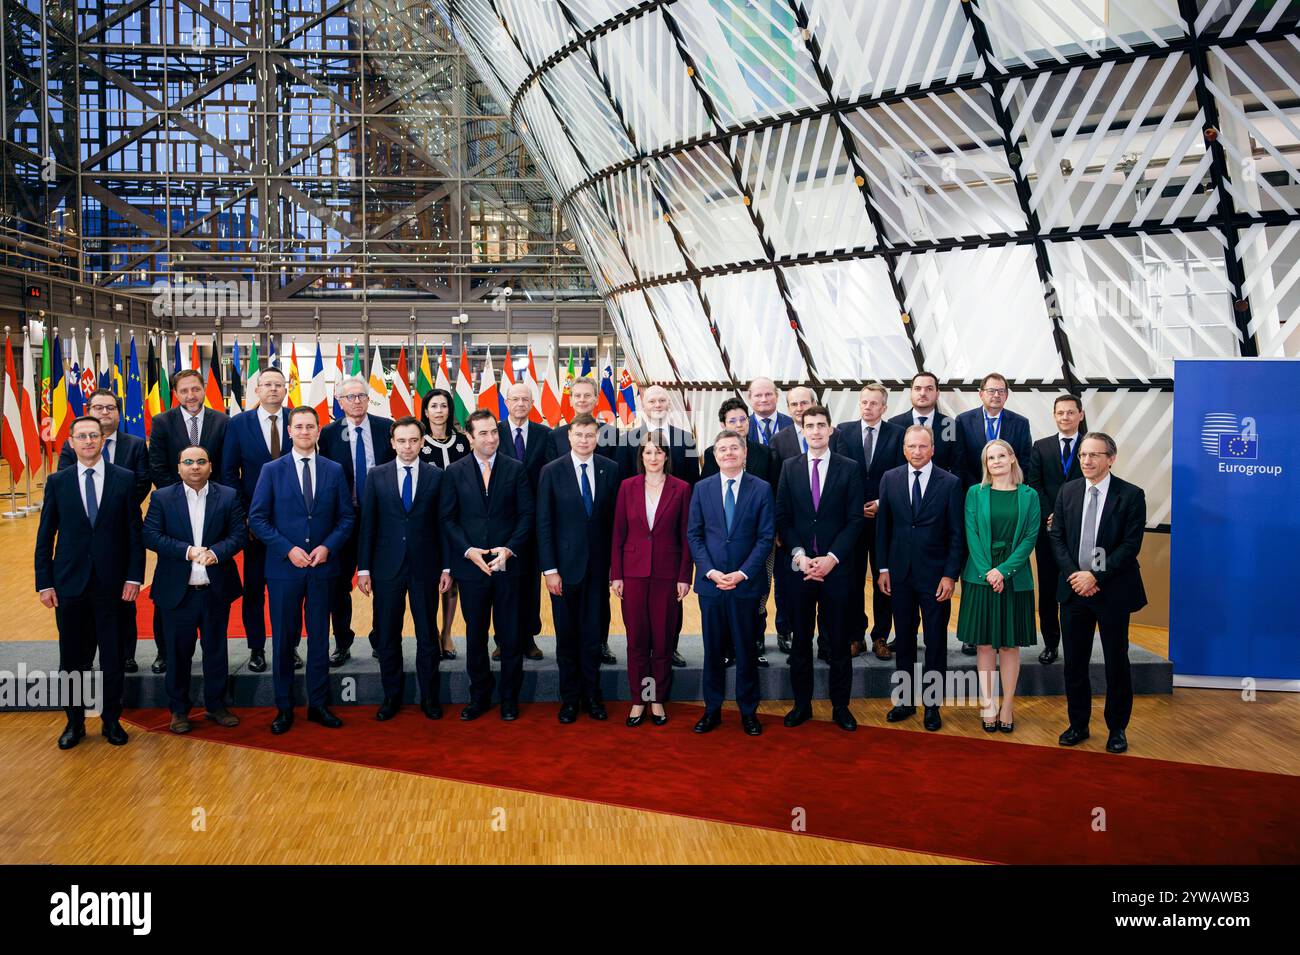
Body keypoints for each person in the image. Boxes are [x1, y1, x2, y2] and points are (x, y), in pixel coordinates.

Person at [34, 415, 144, 749]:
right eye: (81, 436)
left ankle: (112, 720)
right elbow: (45, 537)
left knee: (112, 657)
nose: (87, 442)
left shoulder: (124, 479)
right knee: (72, 660)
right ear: (70, 442)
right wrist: (45, 583)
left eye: (93, 435)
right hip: (69, 584)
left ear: (102, 439)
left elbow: (134, 535)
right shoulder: (58, 481)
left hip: (112, 584)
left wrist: (133, 577)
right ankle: (75, 722)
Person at [248, 406, 355, 734]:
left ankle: (318, 705)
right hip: (284, 568)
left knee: (320, 638)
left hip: (323, 567)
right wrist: (288, 549)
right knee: (282, 640)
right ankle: (284, 707)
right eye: (299, 426)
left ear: (318, 431)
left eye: (311, 426)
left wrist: (327, 547)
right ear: (290, 431)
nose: (305, 431)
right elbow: (258, 518)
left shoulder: (334, 469)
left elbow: (346, 517)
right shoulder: (271, 470)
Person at [1049, 433, 1147, 754]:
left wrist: (1095, 576)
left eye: (1094, 455)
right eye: (1083, 455)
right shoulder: (1068, 491)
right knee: (1074, 663)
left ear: (1111, 458)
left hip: (1112, 592)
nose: (1087, 461)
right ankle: (1078, 724)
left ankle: (1117, 728)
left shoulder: (1131, 495)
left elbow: (1130, 547)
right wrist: (1075, 576)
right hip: (1074, 590)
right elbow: (1058, 537)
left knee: (1116, 661)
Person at [142, 444, 247, 733]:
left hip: (215, 591)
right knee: (177, 654)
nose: (195, 466)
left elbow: (239, 535)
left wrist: (215, 553)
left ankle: (216, 706)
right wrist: (187, 551)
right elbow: (150, 535)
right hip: (177, 593)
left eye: (201, 461)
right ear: (179, 468)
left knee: (216, 651)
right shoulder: (162, 497)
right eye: (188, 461)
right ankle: (179, 710)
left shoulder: (227, 496)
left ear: (210, 466)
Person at [440, 409, 535, 721]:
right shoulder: (454, 472)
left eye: (494, 431)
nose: (491, 438)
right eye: (482, 433)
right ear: (470, 438)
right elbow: (448, 519)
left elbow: (526, 516)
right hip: (472, 568)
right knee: (475, 635)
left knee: (510, 636)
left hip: (507, 565)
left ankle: (509, 699)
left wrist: (509, 549)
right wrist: (468, 551)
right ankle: (479, 697)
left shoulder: (516, 468)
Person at [775, 405, 864, 732]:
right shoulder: (789, 467)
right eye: (808, 425)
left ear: (830, 430)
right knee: (801, 643)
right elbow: (783, 517)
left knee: (838, 643)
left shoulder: (850, 468)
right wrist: (800, 556)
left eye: (820, 425)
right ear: (802, 430)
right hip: (800, 570)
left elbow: (855, 520)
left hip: (837, 571)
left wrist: (831, 558)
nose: (814, 430)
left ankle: (841, 707)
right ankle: (802, 705)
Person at [356, 417, 451, 721]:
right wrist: (364, 568)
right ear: (392, 442)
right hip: (387, 568)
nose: (408, 446)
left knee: (427, 636)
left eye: (413, 440)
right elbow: (368, 524)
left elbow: (443, 525)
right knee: (387, 635)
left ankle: (429, 698)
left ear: (422, 442)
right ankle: (391, 697)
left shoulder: (437, 476)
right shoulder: (376, 476)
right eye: (402, 441)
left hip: (426, 567)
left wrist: (447, 567)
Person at [876, 424, 964, 731]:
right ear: (904, 449)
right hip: (899, 574)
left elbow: (957, 534)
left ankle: (932, 705)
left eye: (922, 447)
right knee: (904, 640)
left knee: (936, 640)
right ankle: (905, 701)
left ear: (933, 449)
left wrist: (950, 575)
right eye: (911, 447)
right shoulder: (890, 478)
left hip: (935, 577)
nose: (917, 452)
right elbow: (883, 527)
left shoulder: (951, 483)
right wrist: (883, 568)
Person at [687, 429, 774, 736]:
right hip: (711, 586)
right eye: (722, 449)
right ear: (714, 456)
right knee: (713, 650)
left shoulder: (761, 489)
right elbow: (694, 535)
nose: (728, 454)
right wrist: (710, 571)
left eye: (733, 449)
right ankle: (712, 710)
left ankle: (748, 712)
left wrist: (742, 573)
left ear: (744, 452)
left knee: (746, 650)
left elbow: (765, 538)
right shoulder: (702, 488)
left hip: (745, 585)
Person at [57, 388, 150, 673]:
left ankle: (126, 655)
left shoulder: (134, 444)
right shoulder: (71, 446)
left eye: (110, 408)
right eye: (99, 408)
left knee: (123, 602)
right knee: (81, 608)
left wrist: (114, 506)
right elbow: (65, 484)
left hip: (121, 532)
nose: (105, 413)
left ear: (118, 413)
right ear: (89, 410)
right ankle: (80, 659)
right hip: (82, 539)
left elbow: (143, 481)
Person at [536, 414, 619, 723]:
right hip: (564, 571)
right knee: (567, 637)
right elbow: (544, 525)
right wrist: (550, 570)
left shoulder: (610, 470)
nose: (584, 440)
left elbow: (614, 523)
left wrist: (616, 569)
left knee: (593, 635)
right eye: (579, 434)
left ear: (597, 437)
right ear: (568, 437)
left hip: (598, 570)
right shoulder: (551, 471)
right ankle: (570, 699)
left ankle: (593, 697)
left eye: (590, 435)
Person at [955, 439, 1040, 733]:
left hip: (1015, 578)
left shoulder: (1029, 495)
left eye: (1002, 455)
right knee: (985, 645)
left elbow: (1030, 538)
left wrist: (1003, 571)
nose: (997, 461)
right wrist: (989, 572)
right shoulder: (974, 493)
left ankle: (1008, 705)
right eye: (991, 458)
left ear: (1013, 458)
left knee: (1009, 645)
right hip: (980, 577)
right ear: (986, 464)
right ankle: (988, 703)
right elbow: (972, 534)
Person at [611, 431, 693, 727]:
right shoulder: (626, 487)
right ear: (640, 457)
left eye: (659, 452)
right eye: (648, 452)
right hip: (632, 573)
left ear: (667, 456)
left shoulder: (682, 489)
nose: (654, 457)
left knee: (661, 641)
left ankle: (656, 698)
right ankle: (638, 700)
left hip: (667, 574)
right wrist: (616, 574)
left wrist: (684, 576)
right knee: (637, 641)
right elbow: (618, 532)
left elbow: (686, 536)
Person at [221, 365, 293, 674]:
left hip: (294, 524)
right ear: (258, 390)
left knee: (290, 591)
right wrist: (246, 517)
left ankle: (288, 648)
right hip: (255, 524)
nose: (273, 389)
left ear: (285, 389)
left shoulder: (298, 421)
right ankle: (257, 648)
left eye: (278, 384)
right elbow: (228, 472)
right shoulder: (238, 424)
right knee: (254, 589)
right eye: (267, 384)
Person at [545, 375, 622, 665]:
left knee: (599, 602)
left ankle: (600, 643)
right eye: (577, 395)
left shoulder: (612, 434)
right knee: (569, 610)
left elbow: (618, 485)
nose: (582, 400)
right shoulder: (555, 436)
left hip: (599, 538)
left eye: (587, 395)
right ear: (571, 398)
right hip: (568, 541)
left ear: (595, 399)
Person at [319, 375, 395, 667]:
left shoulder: (386, 427)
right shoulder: (327, 434)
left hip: (381, 518)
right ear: (339, 402)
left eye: (361, 396)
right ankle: (342, 642)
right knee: (338, 584)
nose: (356, 401)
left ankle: (381, 639)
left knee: (384, 582)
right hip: (344, 518)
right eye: (350, 397)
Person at [832, 383, 905, 660]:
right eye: (864, 402)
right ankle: (855, 635)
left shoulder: (897, 435)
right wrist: (854, 507)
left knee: (883, 579)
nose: (868, 407)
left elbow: (900, 474)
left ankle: (880, 636)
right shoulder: (842, 431)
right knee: (851, 580)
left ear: (884, 407)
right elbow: (837, 474)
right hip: (851, 520)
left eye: (874, 403)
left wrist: (880, 503)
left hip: (884, 519)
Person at [702, 397, 776, 667]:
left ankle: (755, 642)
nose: (738, 424)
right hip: (723, 542)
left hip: (758, 539)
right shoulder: (714, 453)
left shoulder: (764, 453)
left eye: (742, 419)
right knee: (725, 598)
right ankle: (727, 646)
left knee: (758, 593)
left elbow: (773, 491)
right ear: (723, 424)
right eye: (732, 420)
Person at [1024, 395, 1085, 664]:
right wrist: (1052, 515)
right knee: (1048, 589)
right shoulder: (1041, 446)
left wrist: (1066, 517)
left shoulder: (1091, 445)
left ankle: (1075, 644)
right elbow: (1034, 483)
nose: (1065, 417)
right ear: (1054, 415)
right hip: (1047, 530)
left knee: (1075, 587)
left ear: (1080, 415)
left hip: (1081, 529)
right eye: (1060, 413)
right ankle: (1050, 643)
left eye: (1071, 413)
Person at [496, 382, 550, 661]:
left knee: (529, 582)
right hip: (501, 520)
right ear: (506, 402)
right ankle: (502, 639)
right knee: (502, 582)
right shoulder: (494, 432)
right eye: (515, 399)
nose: (520, 404)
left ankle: (529, 638)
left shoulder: (545, 434)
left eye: (525, 399)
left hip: (534, 520)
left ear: (532, 403)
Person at [418, 387, 470, 661]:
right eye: (433, 406)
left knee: (454, 580)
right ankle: (427, 635)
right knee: (431, 579)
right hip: (427, 521)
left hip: (458, 520)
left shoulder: (463, 442)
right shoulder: (418, 442)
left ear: (450, 410)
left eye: (443, 406)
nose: (439, 411)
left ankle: (446, 632)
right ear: (425, 411)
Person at [769, 385, 817, 657]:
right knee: (787, 580)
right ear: (788, 408)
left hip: (823, 523)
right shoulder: (779, 439)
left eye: (804, 402)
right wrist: (778, 525)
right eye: (794, 404)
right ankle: (785, 629)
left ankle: (824, 635)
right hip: (791, 525)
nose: (800, 408)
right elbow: (776, 486)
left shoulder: (833, 436)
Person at [954, 372, 1032, 489]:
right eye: (991, 391)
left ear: (1006, 395)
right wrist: (976, 488)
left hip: (1009, 489)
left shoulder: (1020, 423)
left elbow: (1025, 460)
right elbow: (959, 461)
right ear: (981, 394)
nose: (996, 395)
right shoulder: (963, 421)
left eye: (1001, 391)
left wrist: (1012, 485)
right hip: (974, 489)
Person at [627, 385, 700, 484]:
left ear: (669, 405)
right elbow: (623, 480)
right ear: (643, 407)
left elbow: (693, 479)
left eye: (662, 400)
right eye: (652, 401)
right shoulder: (627, 440)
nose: (657, 405)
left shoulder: (686, 439)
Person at [888, 371, 956, 473]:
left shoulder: (949, 424)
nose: (923, 393)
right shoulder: (894, 424)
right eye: (917, 388)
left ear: (937, 394)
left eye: (929, 389)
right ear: (911, 392)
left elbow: (957, 464)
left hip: (940, 485)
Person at [747, 377, 793, 449]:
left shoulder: (792, 424)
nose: (764, 399)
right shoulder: (743, 426)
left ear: (777, 396)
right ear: (749, 398)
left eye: (768, 394)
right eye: (758, 395)